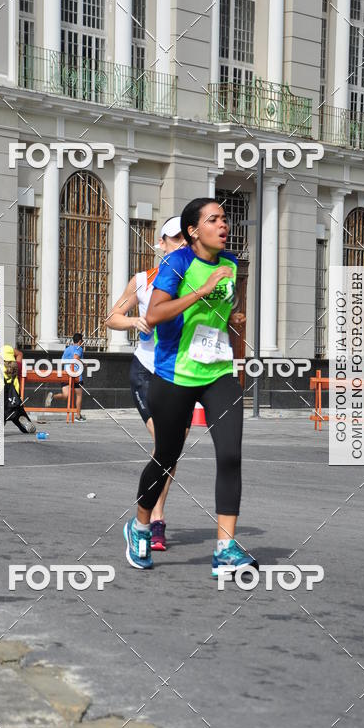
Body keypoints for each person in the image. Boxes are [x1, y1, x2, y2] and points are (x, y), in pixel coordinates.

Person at [123, 198, 254, 576]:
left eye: (225, 219)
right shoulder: (176, 263)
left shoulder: (229, 264)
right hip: (174, 373)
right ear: (194, 231)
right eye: (213, 219)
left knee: (230, 455)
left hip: (217, 372)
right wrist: (201, 290)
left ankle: (225, 549)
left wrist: (232, 316)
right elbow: (155, 314)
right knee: (166, 458)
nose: (223, 225)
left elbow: (222, 310)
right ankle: (141, 525)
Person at [106, 216, 193, 551]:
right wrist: (133, 320)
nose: (182, 244)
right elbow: (111, 317)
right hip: (146, 371)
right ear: (161, 244)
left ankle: (153, 516)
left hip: (182, 375)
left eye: (186, 239)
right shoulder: (142, 281)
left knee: (170, 452)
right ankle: (154, 519)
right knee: (165, 446)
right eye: (174, 239)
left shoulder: (196, 283)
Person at [45, 332, 86, 422]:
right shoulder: (79, 348)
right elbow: (76, 357)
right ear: (79, 341)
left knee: (65, 395)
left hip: (65, 374)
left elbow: (62, 361)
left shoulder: (67, 349)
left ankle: (53, 396)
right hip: (75, 375)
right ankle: (78, 416)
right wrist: (83, 363)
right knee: (79, 395)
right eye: (82, 341)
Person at [3, 344, 36, 434]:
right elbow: (20, 354)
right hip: (15, 396)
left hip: (1, 397)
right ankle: (23, 423)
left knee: (0, 413)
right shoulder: (15, 366)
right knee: (17, 412)